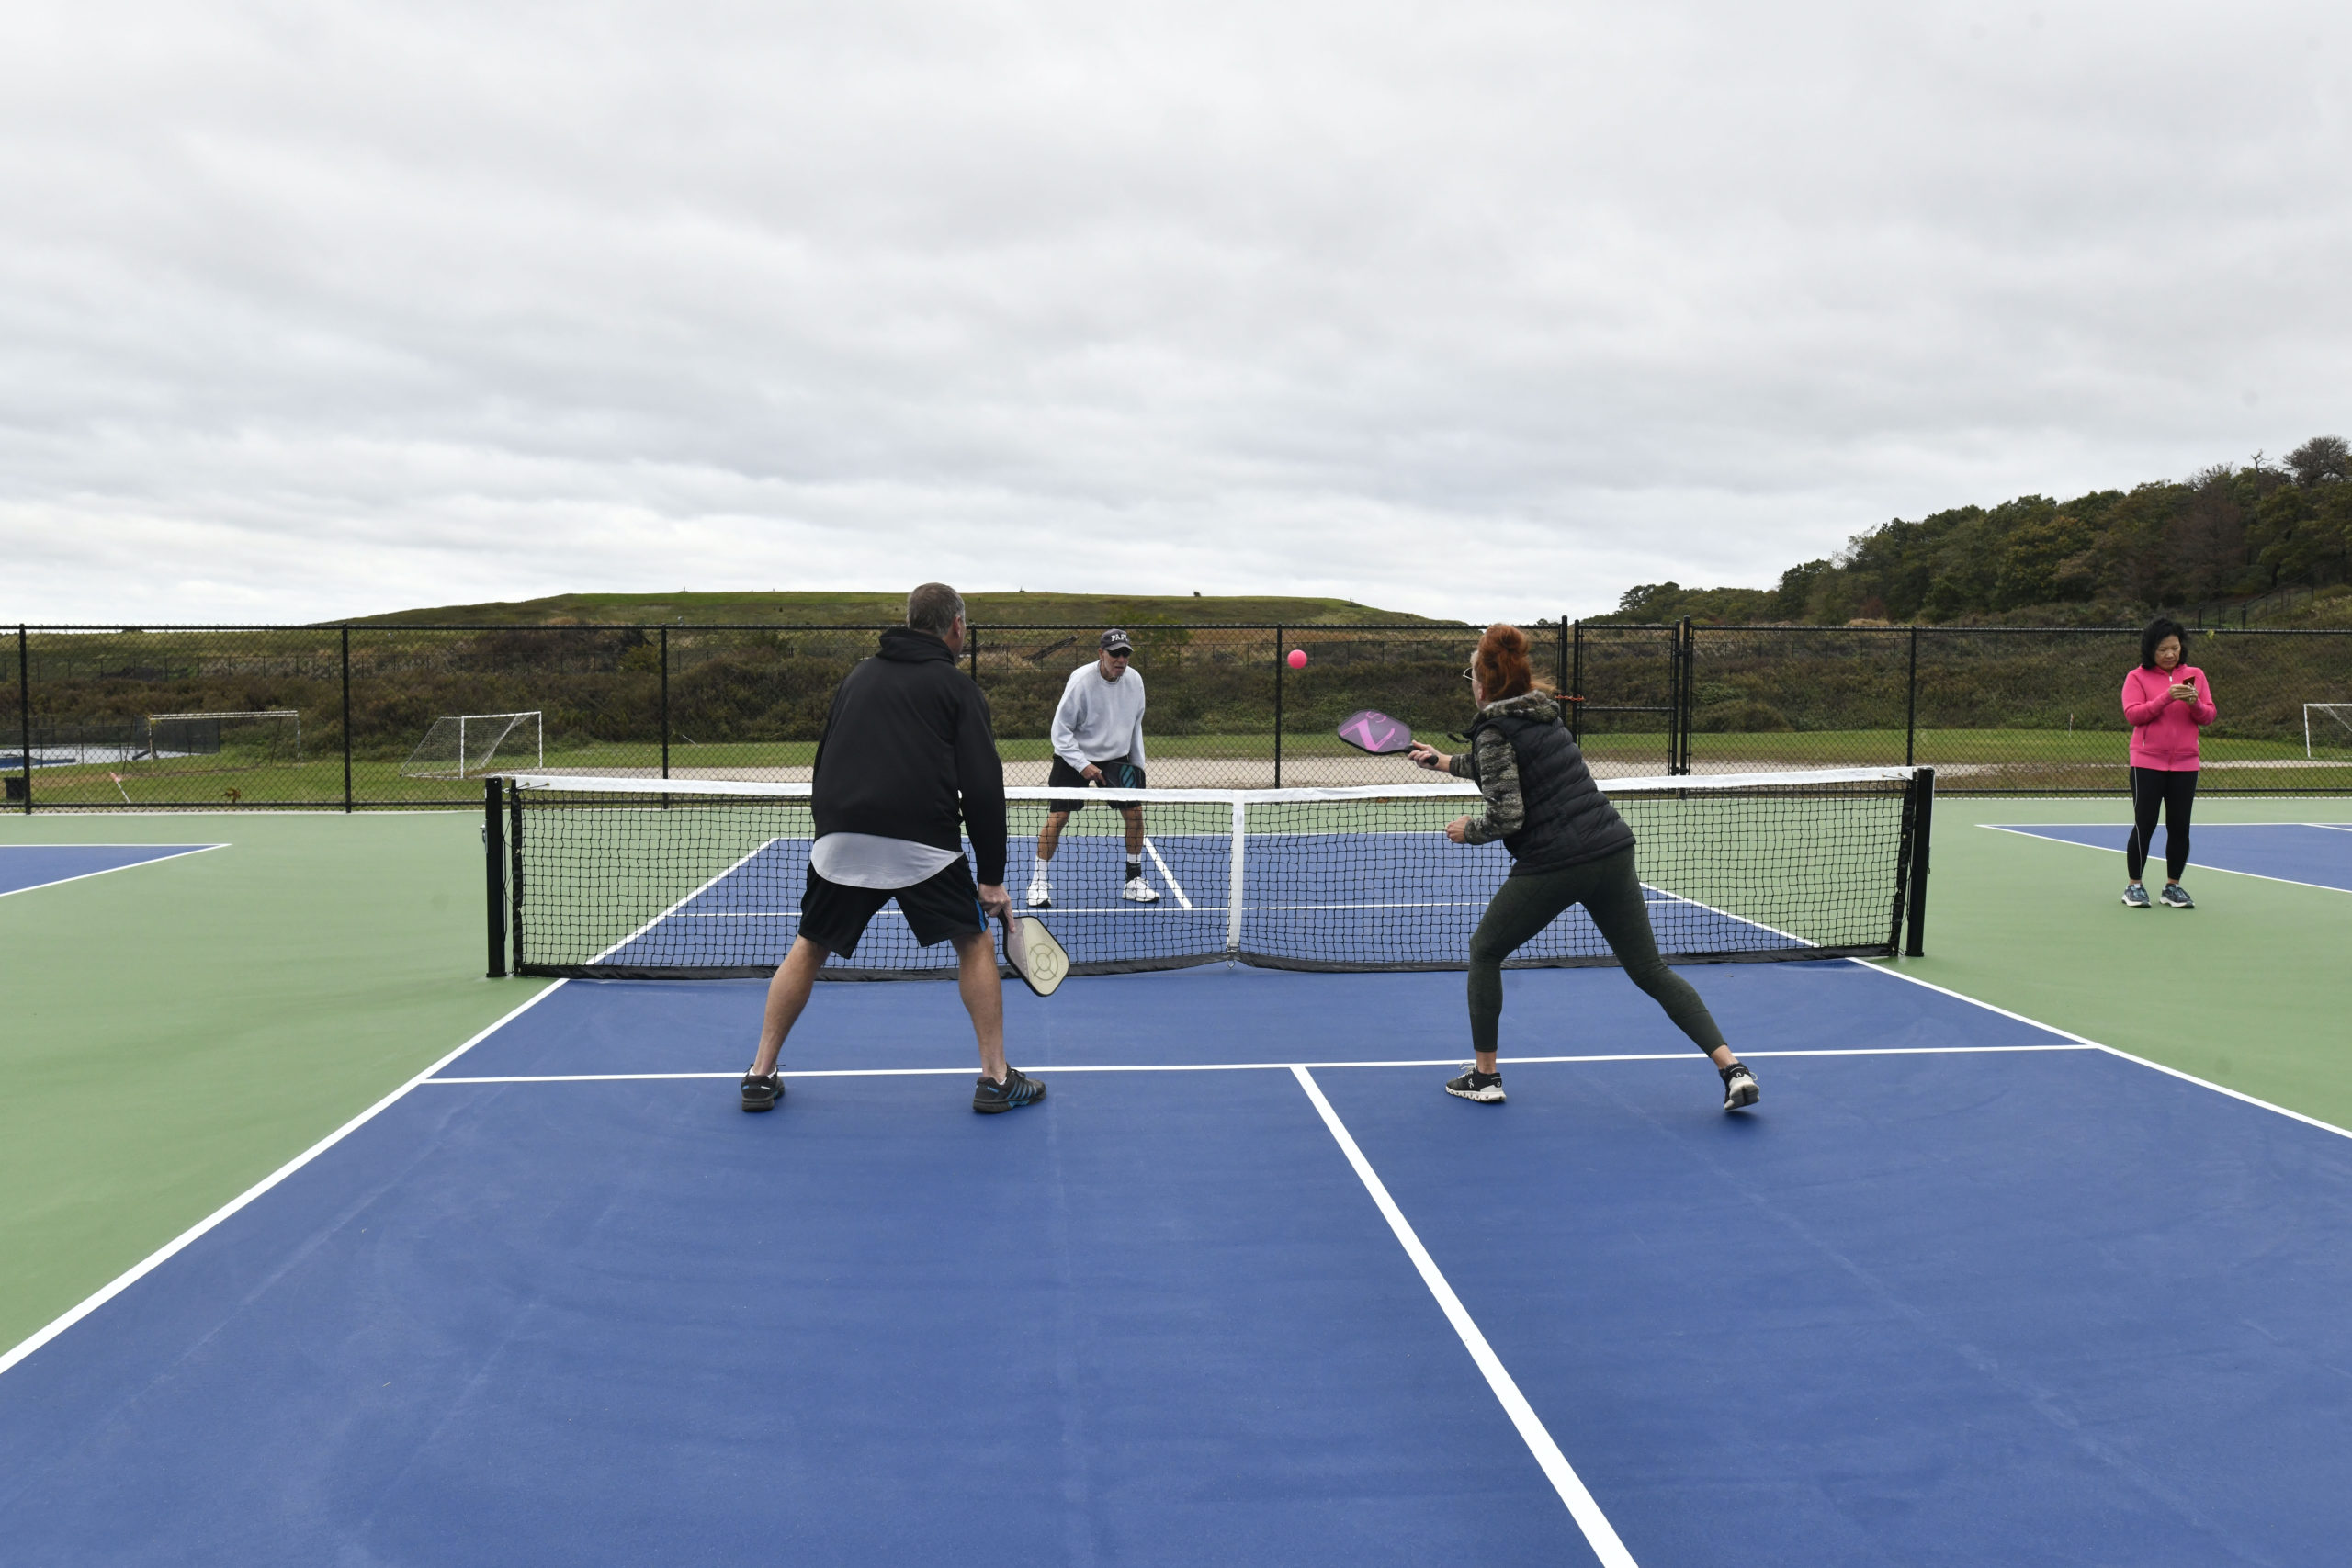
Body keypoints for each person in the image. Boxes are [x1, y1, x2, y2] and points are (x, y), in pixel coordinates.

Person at [1408, 623, 1758, 1111]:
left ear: (1482, 683)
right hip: (1611, 851)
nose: (1469, 680)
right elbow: (1511, 766)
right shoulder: (1542, 714)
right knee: (1650, 970)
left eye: (1470, 672)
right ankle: (1732, 1068)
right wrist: (1445, 761)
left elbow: (1508, 813)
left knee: (1485, 951)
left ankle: (1484, 1077)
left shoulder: (1493, 729)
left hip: (1555, 863)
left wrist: (1469, 830)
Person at [739, 583, 1045, 1116]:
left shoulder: (857, 676)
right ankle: (995, 1080)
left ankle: (759, 1074)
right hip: (922, 845)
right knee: (973, 942)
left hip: (839, 838)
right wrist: (992, 877)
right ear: (955, 627)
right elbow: (983, 787)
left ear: (909, 621)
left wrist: (830, 835)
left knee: (809, 944)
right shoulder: (958, 689)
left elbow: (824, 762)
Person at [1026, 627, 1159, 908]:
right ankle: (1038, 883)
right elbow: (1060, 732)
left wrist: (1138, 767)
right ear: (1101, 653)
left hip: (1116, 757)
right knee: (1059, 815)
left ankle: (1133, 881)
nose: (1121, 659)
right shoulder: (1081, 681)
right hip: (1073, 754)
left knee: (1135, 814)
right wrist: (1082, 765)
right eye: (1115, 654)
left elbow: (1135, 726)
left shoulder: (1134, 681)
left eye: (1126, 654)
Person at [2120, 616, 2215, 909]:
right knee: (2144, 824)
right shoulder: (2137, 677)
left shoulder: (2195, 674)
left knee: (2179, 827)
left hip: (2186, 765)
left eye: (2175, 647)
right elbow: (2134, 715)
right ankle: (2134, 885)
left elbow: (2208, 715)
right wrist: (2166, 697)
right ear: (2151, 650)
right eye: (2163, 649)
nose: (2171, 654)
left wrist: (2194, 702)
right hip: (2146, 763)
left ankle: (2172, 887)